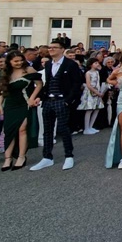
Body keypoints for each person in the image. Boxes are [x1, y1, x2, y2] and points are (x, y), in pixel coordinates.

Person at [30, 42, 84, 172]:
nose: (51, 49)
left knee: (64, 128)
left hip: (62, 100)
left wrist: (68, 101)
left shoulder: (70, 64)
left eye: (54, 47)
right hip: (48, 100)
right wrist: (40, 97)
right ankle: (47, 157)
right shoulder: (48, 64)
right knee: (47, 129)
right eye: (50, 47)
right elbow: (47, 83)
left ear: (62, 50)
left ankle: (69, 156)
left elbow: (77, 84)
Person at [0, 51, 42, 171]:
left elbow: (39, 84)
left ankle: (21, 156)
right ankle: (8, 158)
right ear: (9, 62)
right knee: (9, 131)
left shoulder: (29, 69)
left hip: (24, 103)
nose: (19, 63)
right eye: (15, 61)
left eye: (20, 60)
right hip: (10, 104)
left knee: (22, 130)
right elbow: (2, 90)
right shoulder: (5, 73)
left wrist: (32, 98)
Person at [77, 59, 104, 135]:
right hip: (90, 92)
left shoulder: (97, 72)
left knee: (96, 109)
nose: (97, 64)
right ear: (91, 65)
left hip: (97, 91)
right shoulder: (88, 73)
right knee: (89, 109)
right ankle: (86, 128)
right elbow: (88, 85)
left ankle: (90, 126)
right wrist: (96, 92)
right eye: (95, 63)